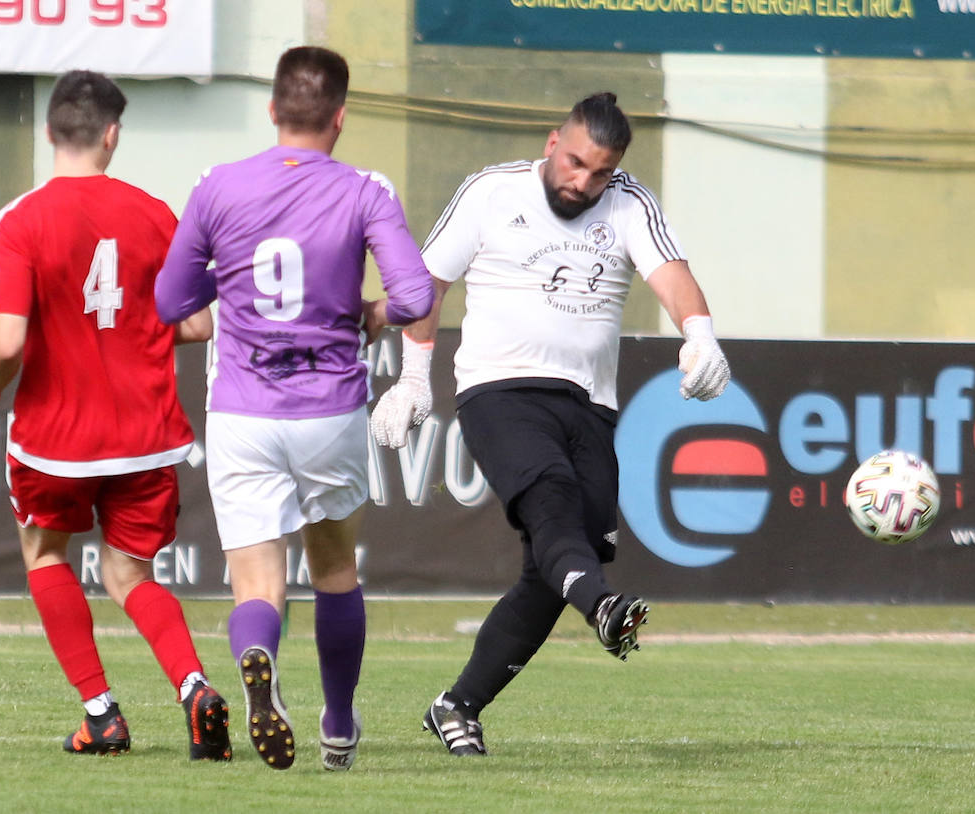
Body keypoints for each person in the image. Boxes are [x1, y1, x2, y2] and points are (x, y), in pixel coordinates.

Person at [370, 92, 730, 757]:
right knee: (552, 506)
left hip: (590, 405)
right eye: (575, 163)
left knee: (556, 563)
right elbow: (427, 286)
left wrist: (701, 336)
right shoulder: (489, 193)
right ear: (551, 142)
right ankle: (605, 610)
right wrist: (414, 380)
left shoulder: (628, 203)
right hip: (499, 392)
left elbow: (673, 275)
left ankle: (457, 705)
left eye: (599, 171)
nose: (583, 182)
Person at [155, 46, 435, 771]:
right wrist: (369, 311)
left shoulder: (217, 186)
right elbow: (415, 297)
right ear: (341, 117)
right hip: (328, 409)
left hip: (243, 411)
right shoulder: (366, 189)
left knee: (256, 580)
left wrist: (235, 289)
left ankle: (256, 653)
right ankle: (337, 727)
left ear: (273, 110)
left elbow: (169, 302)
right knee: (336, 570)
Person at [0, 70, 231, 762]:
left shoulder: (16, 222)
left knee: (46, 555)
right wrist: (131, 332)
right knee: (131, 577)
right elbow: (199, 324)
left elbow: (9, 339)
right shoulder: (154, 214)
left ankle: (101, 715)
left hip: (55, 441)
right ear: (113, 135)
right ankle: (194, 686)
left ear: (50, 132)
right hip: (146, 437)